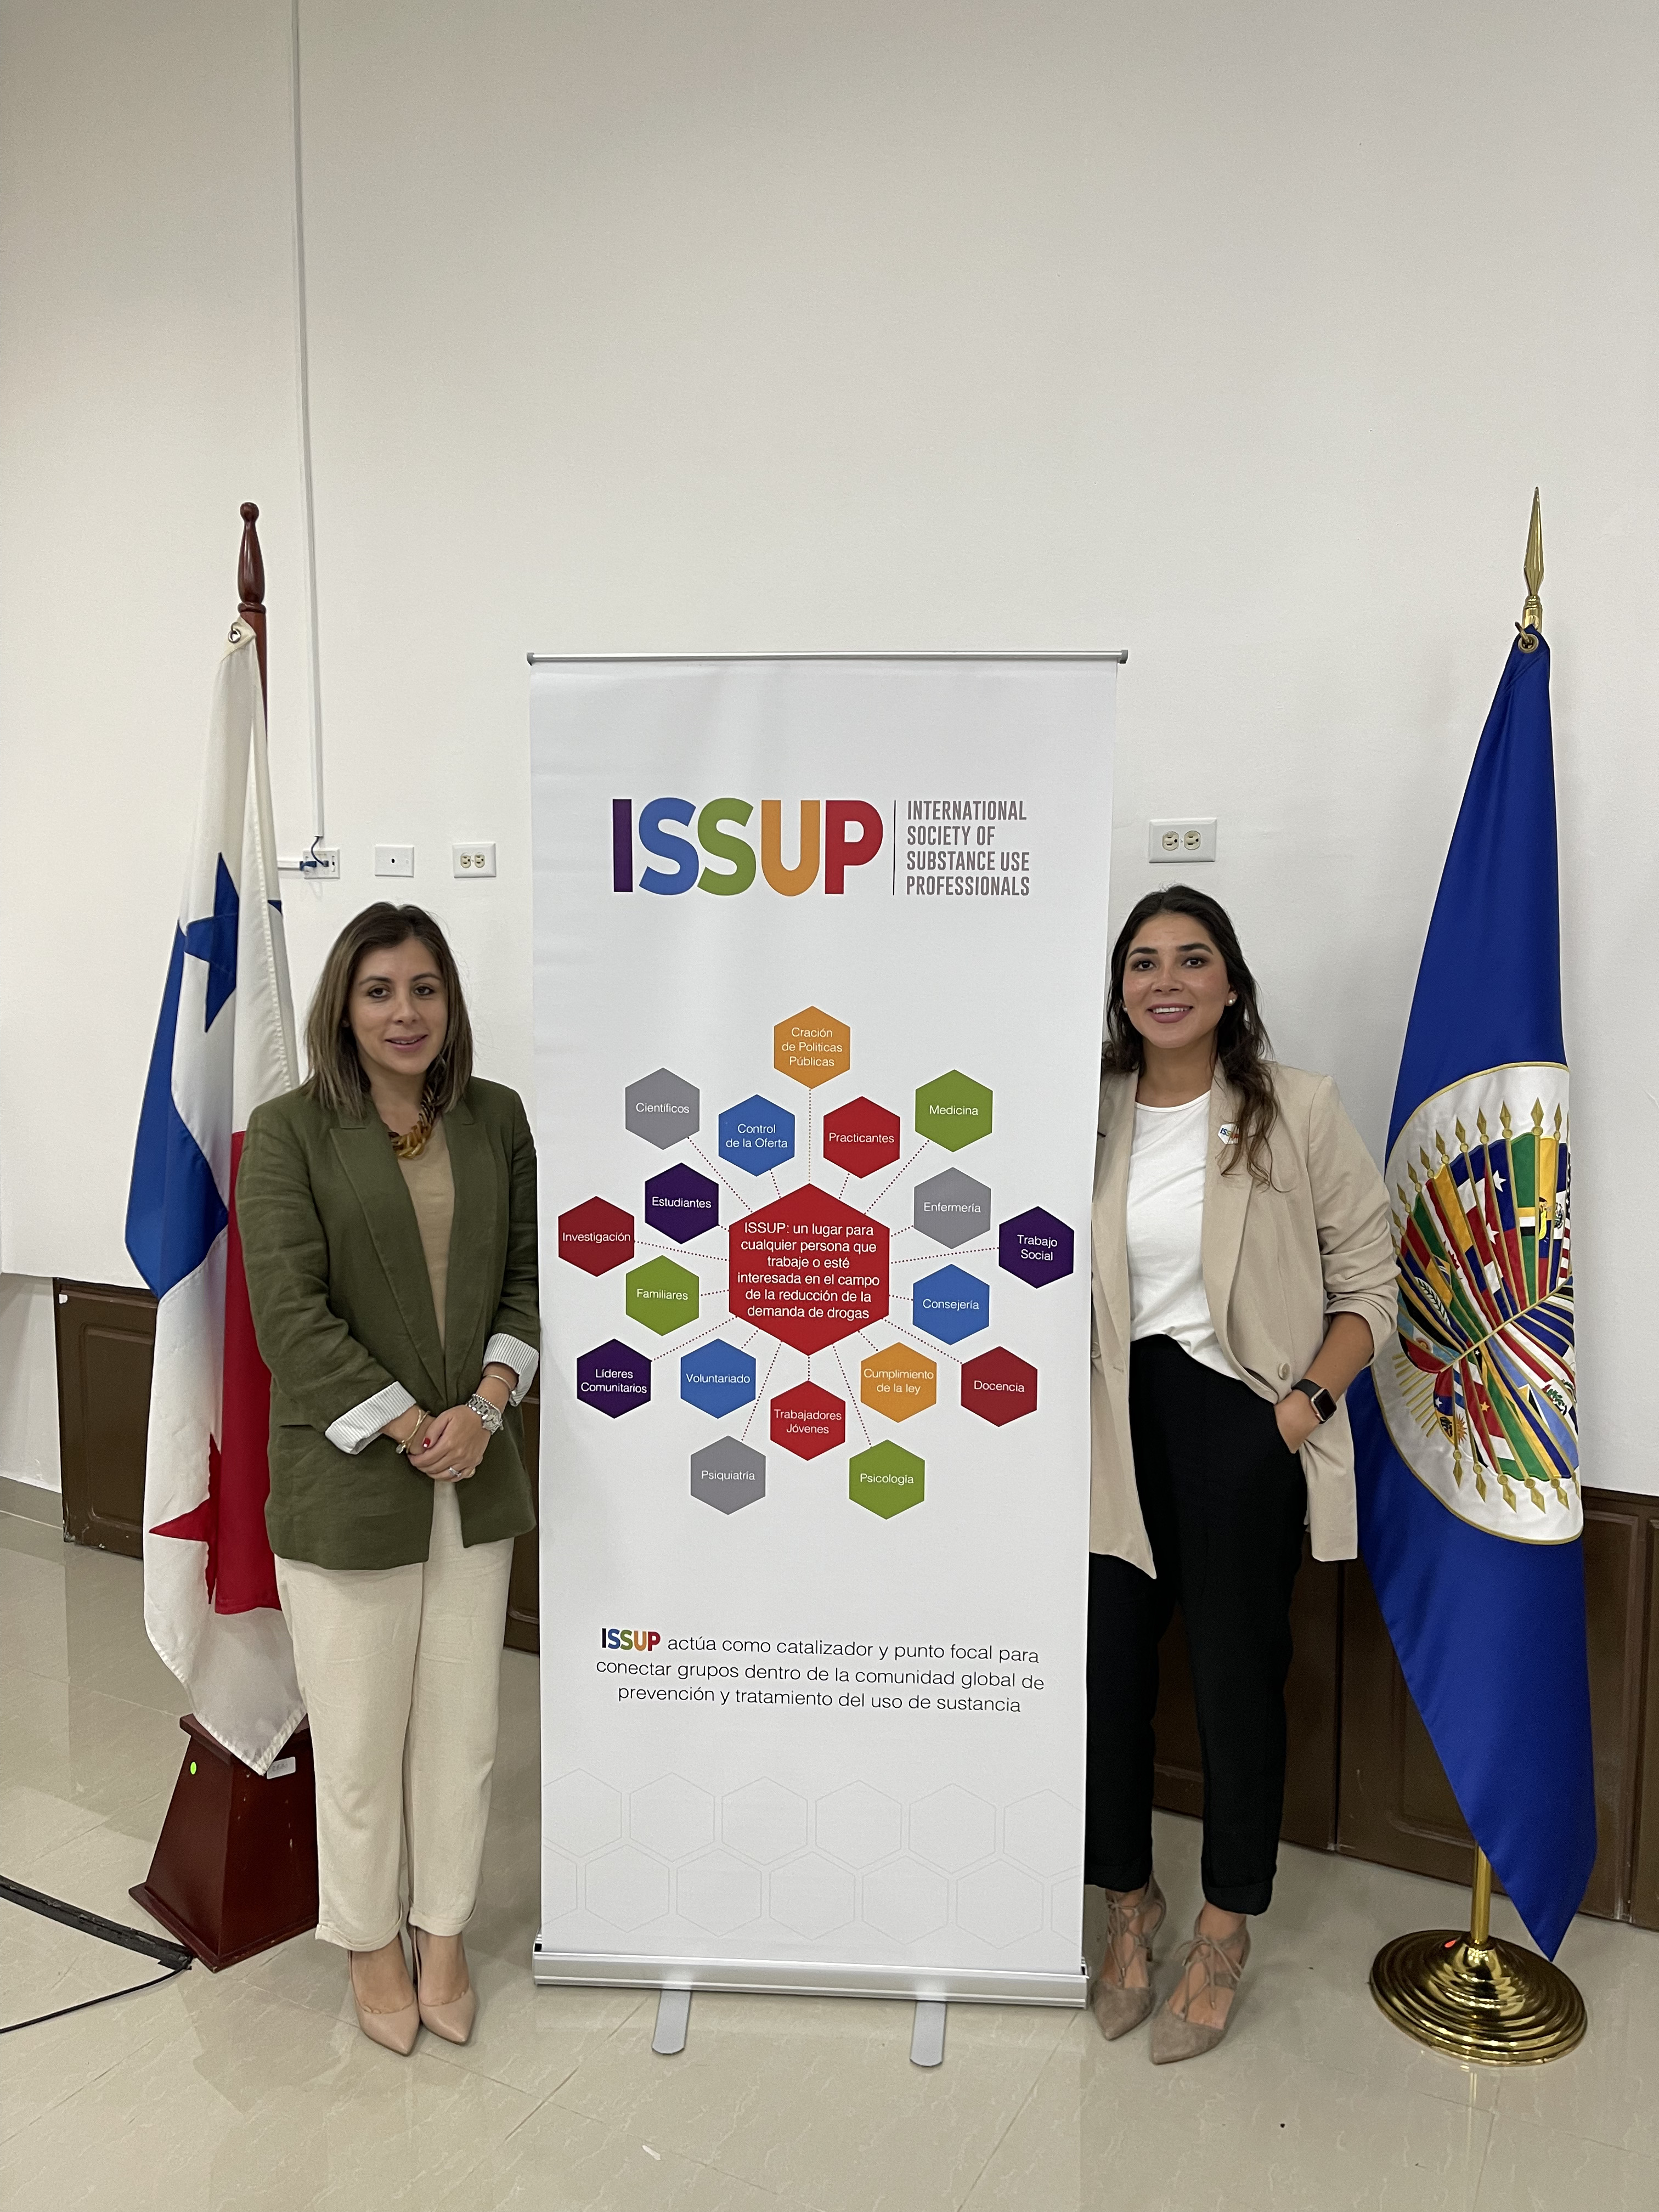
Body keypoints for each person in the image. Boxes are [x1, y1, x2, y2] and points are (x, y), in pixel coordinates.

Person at [1086, 885, 1392, 2062]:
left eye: (1192, 958)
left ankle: (1223, 1929)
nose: (1166, 980)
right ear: (1121, 989)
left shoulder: (1294, 1109)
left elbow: (1370, 1282)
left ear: (1230, 984)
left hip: (1240, 1423)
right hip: (1108, 1425)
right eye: (1144, 961)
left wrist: (1300, 1408)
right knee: (1108, 1681)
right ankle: (1130, 1905)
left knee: (1233, 1685)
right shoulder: (1088, 1109)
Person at [238, 902, 538, 2055]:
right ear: (344, 1008)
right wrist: (418, 1424)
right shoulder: (291, 1132)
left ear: (449, 1000)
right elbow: (288, 1316)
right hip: (352, 1476)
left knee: (462, 1733)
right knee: (360, 1741)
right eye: (379, 991)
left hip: (476, 1467)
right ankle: (369, 1942)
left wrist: (487, 1406)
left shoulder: (496, 1118)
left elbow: (527, 1278)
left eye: (424, 988)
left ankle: (443, 1933)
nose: (404, 1012)